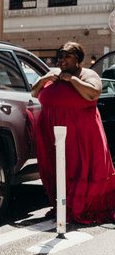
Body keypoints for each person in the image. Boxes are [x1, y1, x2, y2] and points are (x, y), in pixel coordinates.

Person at [31, 41, 115, 224]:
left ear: (77, 59)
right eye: (60, 57)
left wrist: (73, 80)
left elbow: (94, 94)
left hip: (82, 133)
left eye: (67, 56)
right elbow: (34, 93)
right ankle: (62, 205)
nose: (62, 61)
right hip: (51, 131)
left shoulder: (87, 74)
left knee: (80, 167)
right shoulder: (53, 73)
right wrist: (43, 80)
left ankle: (83, 207)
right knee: (56, 168)